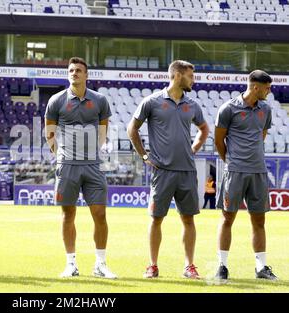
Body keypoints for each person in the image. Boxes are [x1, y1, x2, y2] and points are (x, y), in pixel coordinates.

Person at [127, 60, 209, 279]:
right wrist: (144, 155)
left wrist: (194, 148)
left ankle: (189, 266)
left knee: (188, 219)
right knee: (156, 218)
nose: (194, 80)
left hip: (187, 171)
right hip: (162, 171)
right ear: (178, 75)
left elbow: (204, 129)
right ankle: (152, 265)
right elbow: (132, 128)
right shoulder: (151, 102)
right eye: (191, 75)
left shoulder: (192, 105)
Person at [45, 57, 117, 279]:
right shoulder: (56, 101)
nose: (74, 73)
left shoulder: (100, 100)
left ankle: (100, 264)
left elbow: (103, 131)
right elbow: (49, 133)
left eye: (78, 70)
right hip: (67, 165)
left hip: (93, 166)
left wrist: (91, 152)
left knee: (100, 215)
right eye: (71, 70)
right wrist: (62, 155)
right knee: (68, 215)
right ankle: (71, 264)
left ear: (86, 75)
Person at [214, 70, 277, 281]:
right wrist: (231, 162)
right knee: (227, 218)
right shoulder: (228, 109)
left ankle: (261, 268)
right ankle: (222, 266)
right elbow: (218, 141)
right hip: (235, 172)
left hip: (258, 171)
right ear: (256, 87)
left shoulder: (266, 109)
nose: (269, 91)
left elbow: (262, 136)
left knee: (259, 221)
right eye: (267, 88)